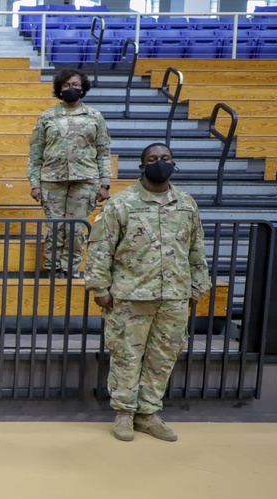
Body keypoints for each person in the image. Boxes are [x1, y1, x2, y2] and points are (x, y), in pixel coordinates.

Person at [87, 143, 210, 443]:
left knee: (163, 357)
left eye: (165, 158)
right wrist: (100, 288)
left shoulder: (185, 203)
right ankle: (124, 414)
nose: (159, 163)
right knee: (127, 356)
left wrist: (198, 285)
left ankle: (148, 414)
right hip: (131, 296)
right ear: (142, 167)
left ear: (174, 163)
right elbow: (101, 249)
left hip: (175, 295)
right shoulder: (120, 203)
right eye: (152, 159)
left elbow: (196, 249)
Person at [28, 68, 112, 276]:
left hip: (85, 180)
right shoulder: (47, 117)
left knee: (75, 230)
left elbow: (103, 151)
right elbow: (36, 152)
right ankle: (52, 268)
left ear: (83, 89)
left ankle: (70, 270)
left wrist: (105, 183)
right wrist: (35, 183)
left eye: (75, 85)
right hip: (52, 180)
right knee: (54, 228)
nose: (71, 89)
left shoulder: (94, 116)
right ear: (59, 89)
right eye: (66, 85)